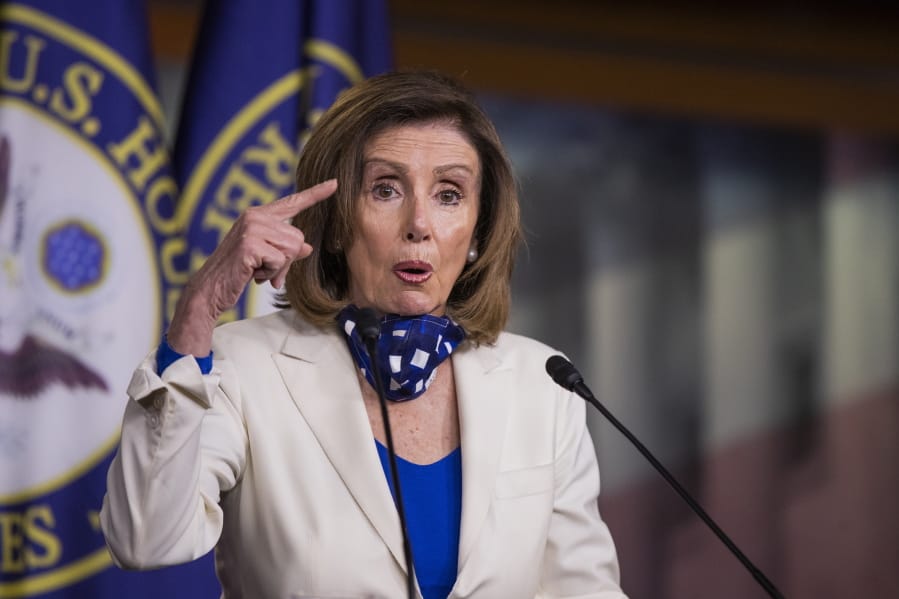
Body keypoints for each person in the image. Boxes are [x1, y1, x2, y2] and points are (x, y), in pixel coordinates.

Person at [100, 70, 628, 599]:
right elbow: (146, 540)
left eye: (448, 194)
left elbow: (585, 590)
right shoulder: (245, 368)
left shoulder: (543, 384)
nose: (418, 223)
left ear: (477, 231)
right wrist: (197, 311)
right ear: (334, 223)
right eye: (385, 189)